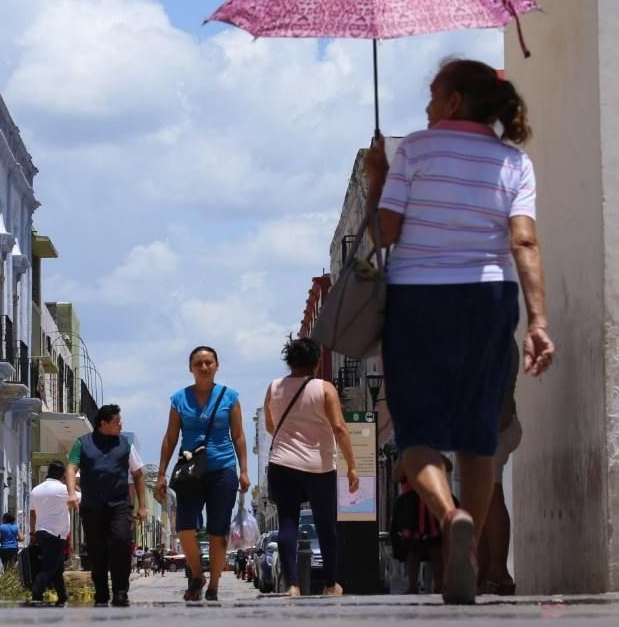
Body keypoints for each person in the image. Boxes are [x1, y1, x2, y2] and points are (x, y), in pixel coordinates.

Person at [364, 59, 556, 604]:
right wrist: (538, 321)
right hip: (488, 300)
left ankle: (449, 518)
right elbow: (524, 241)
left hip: (418, 299)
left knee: (417, 434)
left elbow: (385, 232)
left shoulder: (416, 151)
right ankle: (465, 545)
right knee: (479, 436)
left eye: (432, 95)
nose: (425, 106)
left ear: (452, 102)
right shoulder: (515, 162)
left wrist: (379, 177)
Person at [263, 337, 361, 596]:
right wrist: (351, 465)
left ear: (289, 361)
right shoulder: (324, 388)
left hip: (282, 463)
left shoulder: (273, 387)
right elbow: (339, 427)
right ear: (317, 362)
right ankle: (330, 584)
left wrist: (290, 438)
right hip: (319, 466)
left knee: (287, 523)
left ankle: (293, 585)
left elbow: (270, 425)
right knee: (326, 525)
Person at [154, 346, 251, 602]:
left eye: (209, 362)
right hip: (190, 471)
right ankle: (198, 575)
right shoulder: (179, 399)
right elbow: (171, 437)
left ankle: (214, 586)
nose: (204, 367)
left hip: (223, 468)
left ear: (217, 366)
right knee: (185, 527)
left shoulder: (230, 397)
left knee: (218, 531)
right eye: (199, 363)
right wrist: (161, 473)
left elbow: (239, 436)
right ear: (191, 368)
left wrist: (244, 470)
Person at [66, 404, 148, 607]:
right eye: (116, 421)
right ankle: (101, 592)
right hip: (92, 506)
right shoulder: (82, 443)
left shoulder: (125, 444)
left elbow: (138, 474)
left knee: (120, 543)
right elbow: (71, 467)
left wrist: (143, 506)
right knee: (97, 551)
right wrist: (71, 493)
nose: (121, 424)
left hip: (119, 505)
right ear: (103, 424)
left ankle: (121, 591)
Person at [479, 343, 522, 596]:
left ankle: (499, 573)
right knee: (481, 502)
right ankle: (486, 572)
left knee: (491, 497)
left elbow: (501, 400)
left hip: (494, 428)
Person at [390, 456, 454, 595]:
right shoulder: (406, 455)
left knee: (435, 547)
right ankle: (413, 586)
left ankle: (439, 585)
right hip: (413, 506)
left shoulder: (432, 453)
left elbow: (449, 466)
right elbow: (396, 476)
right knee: (414, 548)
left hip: (430, 503)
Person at [28, 461, 71, 607]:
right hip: (56, 535)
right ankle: (36, 594)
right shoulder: (63, 489)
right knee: (49, 567)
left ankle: (62, 596)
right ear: (62, 475)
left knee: (57, 567)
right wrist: (71, 483)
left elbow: (32, 514)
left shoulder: (36, 490)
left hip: (41, 533)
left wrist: (33, 533)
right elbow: (80, 497)